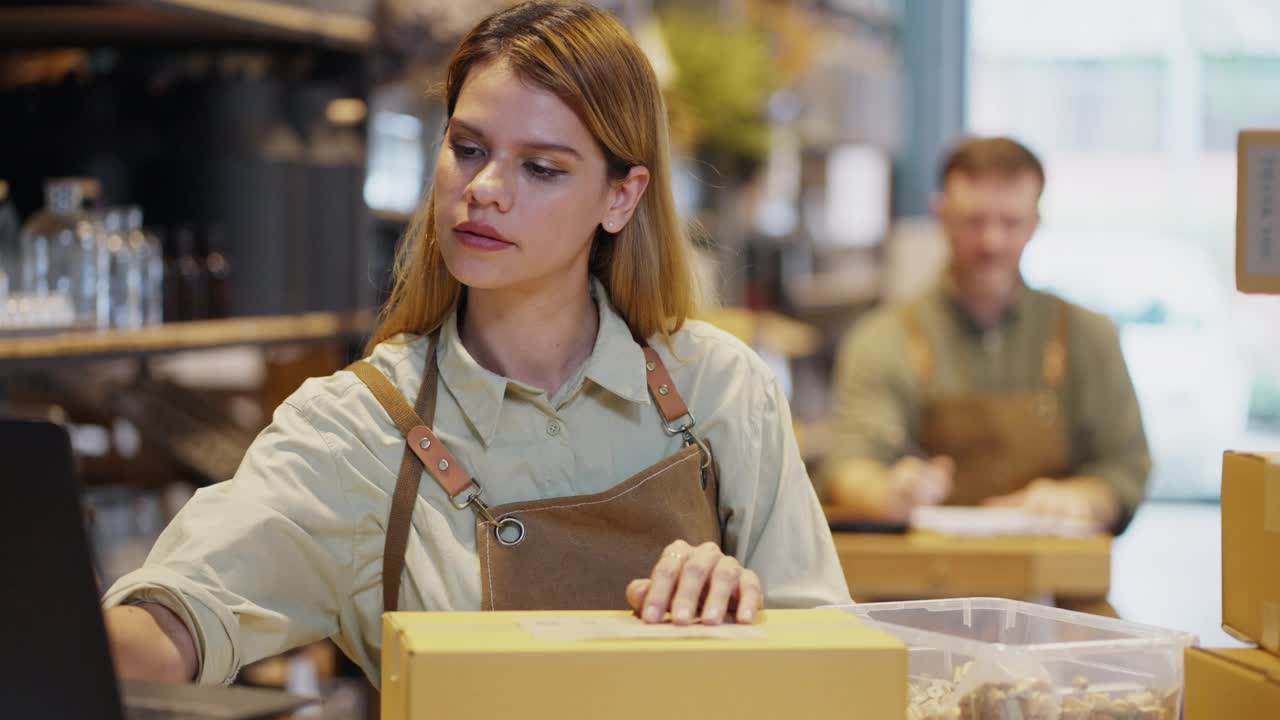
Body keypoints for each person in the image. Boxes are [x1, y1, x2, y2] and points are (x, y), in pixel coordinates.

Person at [101, 1, 850, 688]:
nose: (486, 188)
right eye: (468, 148)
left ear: (621, 197)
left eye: (541, 167)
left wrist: (745, 615)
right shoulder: (358, 431)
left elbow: (833, 668)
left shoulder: (720, 390)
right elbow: (178, 621)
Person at [821, 137, 1150, 534]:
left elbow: (1126, 468)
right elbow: (849, 463)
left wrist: (1086, 497)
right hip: (924, 587)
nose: (991, 242)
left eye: (1010, 223)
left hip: (1061, 590)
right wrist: (883, 491)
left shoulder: (1088, 336)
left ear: (1035, 223)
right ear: (940, 215)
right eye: (973, 221)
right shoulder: (882, 338)